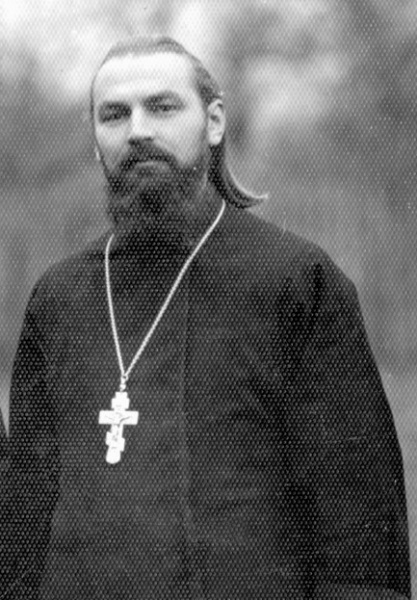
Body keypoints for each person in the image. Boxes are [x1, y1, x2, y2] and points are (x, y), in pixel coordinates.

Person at [0, 36, 411, 600]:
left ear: (213, 123)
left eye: (162, 107)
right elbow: (22, 519)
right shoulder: (58, 298)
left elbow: (357, 534)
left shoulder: (294, 281)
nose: (137, 130)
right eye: (114, 115)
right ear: (95, 141)